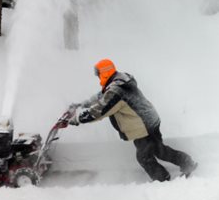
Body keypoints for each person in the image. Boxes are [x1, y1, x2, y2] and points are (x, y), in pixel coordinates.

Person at [69, 58, 197, 181]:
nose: (98, 78)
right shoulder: (118, 81)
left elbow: (101, 110)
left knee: (144, 157)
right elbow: (101, 97)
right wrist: (82, 104)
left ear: (105, 73)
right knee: (157, 150)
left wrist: (78, 119)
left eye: (99, 75)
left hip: (144, 125)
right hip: (148, 121)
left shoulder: (117, 90)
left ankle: (163, 180)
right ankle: (185, 164)